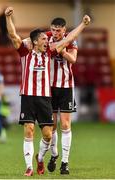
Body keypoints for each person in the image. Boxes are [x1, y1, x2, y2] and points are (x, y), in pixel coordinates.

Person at [5, 6, 90, 176]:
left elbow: (68, 41)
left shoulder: (49, 52)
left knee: (49, 133)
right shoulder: (25, 52)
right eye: (45, 37)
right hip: (29, 96)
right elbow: (14, 36)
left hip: (48, 95)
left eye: (48, 37)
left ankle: (46, 158)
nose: (48, 39)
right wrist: (8, 18)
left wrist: (83, 25)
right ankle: (29, 167)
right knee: (29, 130)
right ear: (36, 41)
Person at [46, 17, 79, 174]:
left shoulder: (71, 40)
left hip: (66, 87)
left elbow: (73, 60)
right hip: (49, 87)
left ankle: (65, 162)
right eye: (53, 29)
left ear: (64, 30)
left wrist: (62, 50)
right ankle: (54, 155)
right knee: (51, 125)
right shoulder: (46, 38)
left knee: (65, 125)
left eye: (58, 30)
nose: (55, 32)